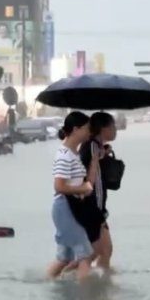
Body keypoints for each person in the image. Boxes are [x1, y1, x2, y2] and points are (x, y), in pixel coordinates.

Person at [47, 112, 95, 281]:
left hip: (71, 207)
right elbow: (59, 186)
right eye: (87, 128)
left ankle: (46, 284)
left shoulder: (74, 154)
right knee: (85, 257)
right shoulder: (64, 155)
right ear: (76, 129)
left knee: (64, 258)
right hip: (65, 208)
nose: (90, 132)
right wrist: (82, 188)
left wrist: (96, 159)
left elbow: (80, 182)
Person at [70, 111, 117, 271]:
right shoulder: (90, 146)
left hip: (97, 207)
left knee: (103, 251)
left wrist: (103, 153)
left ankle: (100, 285)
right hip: (92, 207)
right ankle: (64, 274)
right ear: (103, 128)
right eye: (113, 126)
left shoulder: (94, 146)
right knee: (98, 252)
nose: (115, 129)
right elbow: (86, 172)